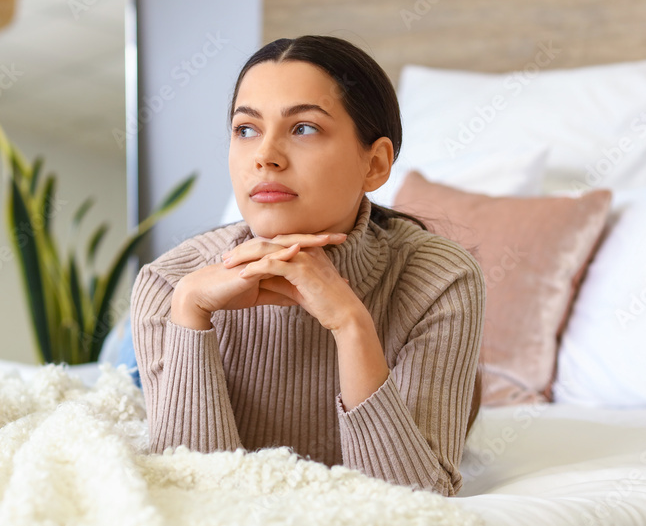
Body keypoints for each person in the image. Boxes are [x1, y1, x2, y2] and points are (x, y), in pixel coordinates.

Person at [129, 35, 485, 496]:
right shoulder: (170, 283)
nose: (265, 156)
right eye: (246, 130)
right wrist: (190, 314)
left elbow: (417, 498)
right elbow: (188, 496)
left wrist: (350, 322)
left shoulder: (441, 280)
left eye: (303, 128)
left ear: (375, 164)